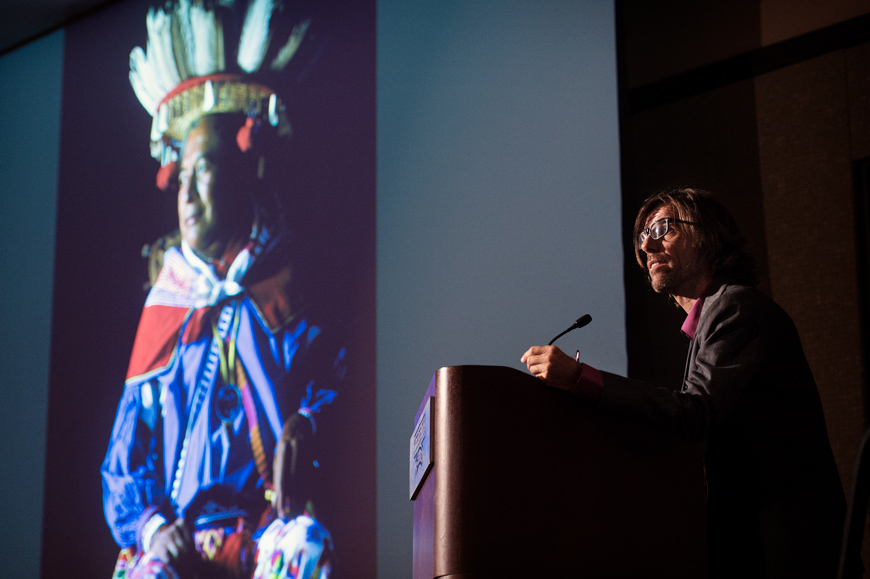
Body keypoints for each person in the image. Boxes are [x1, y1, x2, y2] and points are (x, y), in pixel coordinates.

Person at [101, 3, 339, 578]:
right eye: (179, 176)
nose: (185, 192)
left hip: (262, 536)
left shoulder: (288, 290)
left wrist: (306, 425)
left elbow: (331, 383)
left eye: (202, 169)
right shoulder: (168, 307)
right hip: (176, 547)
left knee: (304, 548)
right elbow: (124, 460)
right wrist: (155, 531)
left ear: (244, 169)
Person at [522, 188, 856, 578]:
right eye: (643, 235)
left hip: (790, 553)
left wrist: (582, 379)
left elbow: (696, 412)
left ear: (707, 235)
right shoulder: (710, 324)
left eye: (663, 227)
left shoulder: (736, 307)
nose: (647, 243)